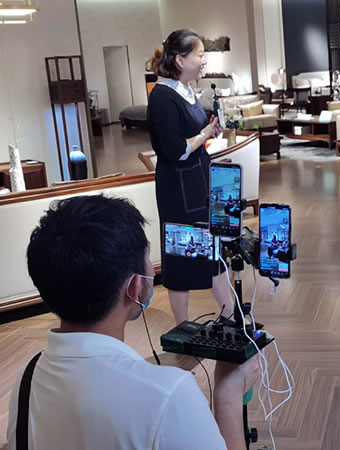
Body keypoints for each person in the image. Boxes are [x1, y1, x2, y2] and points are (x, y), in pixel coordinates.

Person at [7, 195, 259, 449]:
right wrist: (228, 397)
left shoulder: (27, 378)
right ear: (134, 286)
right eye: (147, 258)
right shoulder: (169, 396)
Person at [147, 29, 233, 325]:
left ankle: (231, 316)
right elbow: (175, 150)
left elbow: (193, 136)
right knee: (181, 256)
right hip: (179, 190)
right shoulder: (162, 97)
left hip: (198, 182)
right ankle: (182, 326)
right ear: (181, 60)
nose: (204, 61)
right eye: (200, 55)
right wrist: (205, 133)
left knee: (214, 251)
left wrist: (208, 132)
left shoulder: (185, 90)